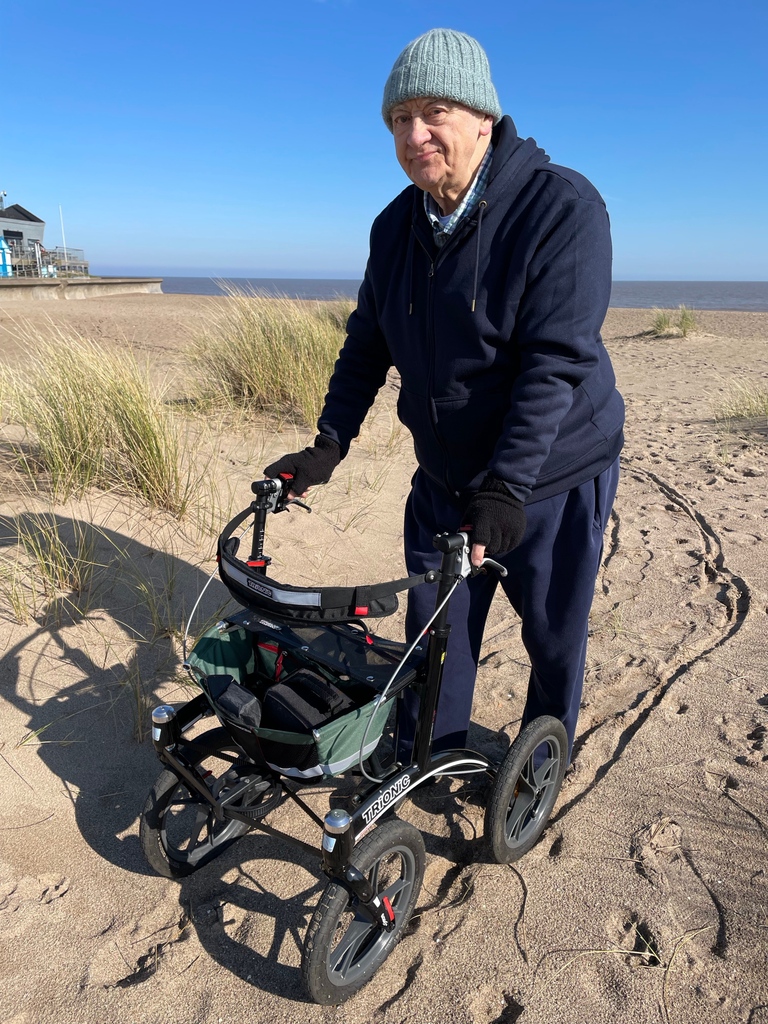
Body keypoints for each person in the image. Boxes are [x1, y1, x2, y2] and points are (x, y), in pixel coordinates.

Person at [265, 28, 624, 765]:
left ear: (483, 118)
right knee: (437, 636)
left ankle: (546, 754)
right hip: (444, 476)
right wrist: (329, 444)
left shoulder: (563, 209)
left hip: (551, 474)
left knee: (553, 632)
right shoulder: (394, 226)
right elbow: (367, 342)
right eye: (399, 119)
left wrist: (508, 486)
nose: (414, 133)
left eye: (434, 112)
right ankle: (431, 754)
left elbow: (555, 363)